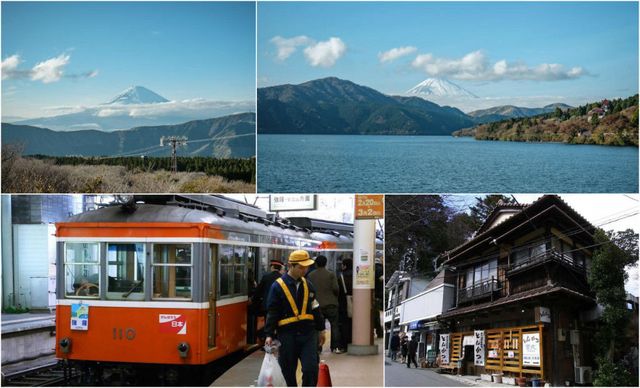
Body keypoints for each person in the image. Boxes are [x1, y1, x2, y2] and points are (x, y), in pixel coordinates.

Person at [265, 250, 326, 387]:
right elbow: (273, 311)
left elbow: (315, 308)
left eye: (307, 267)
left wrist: (321, 329)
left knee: (311, 369)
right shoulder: (277, 286)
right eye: (301, 267)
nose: (305, 270)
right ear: (290, 266)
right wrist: (269, 334)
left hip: (308, 333)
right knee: (287, 371)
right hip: (287, 334)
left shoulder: (308, 286)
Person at [307, 255, 343, 354]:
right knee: (334, 326)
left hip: (316, 305)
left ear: (316, 264)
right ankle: (335, 347)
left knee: (317, 327)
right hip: (331, 304)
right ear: (326, 263)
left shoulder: (311, 275)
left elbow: (308, 290)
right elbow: (336, 288)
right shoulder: (331, 274)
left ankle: (317, 348)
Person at [337, 258, 353, 351]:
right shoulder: (356, 275)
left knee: (344, 324)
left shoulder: (341, 276)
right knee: (353, 323)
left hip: (343, 301)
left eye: (342, 264)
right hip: (356, 301)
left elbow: (337, 290)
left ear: (345, 266)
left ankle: (344, 344)